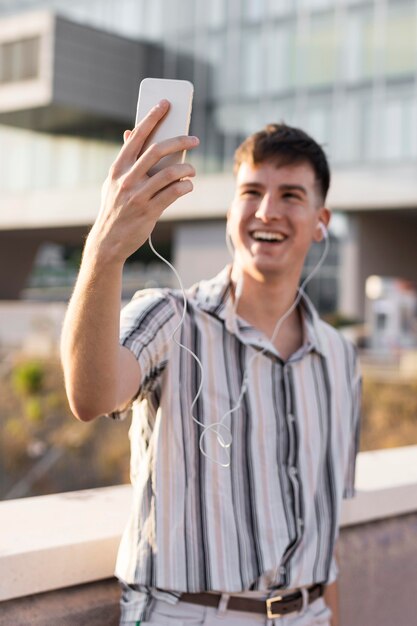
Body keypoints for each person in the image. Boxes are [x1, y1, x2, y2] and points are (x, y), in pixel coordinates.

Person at [61, 99, 361, 626]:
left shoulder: (340, 357)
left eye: (290, 195)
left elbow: (325, 525)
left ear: (320, 223)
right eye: (251, 192)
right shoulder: (169, 316)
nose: (267, 211)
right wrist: (105, 248)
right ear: (231, 213)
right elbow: (89, 396)